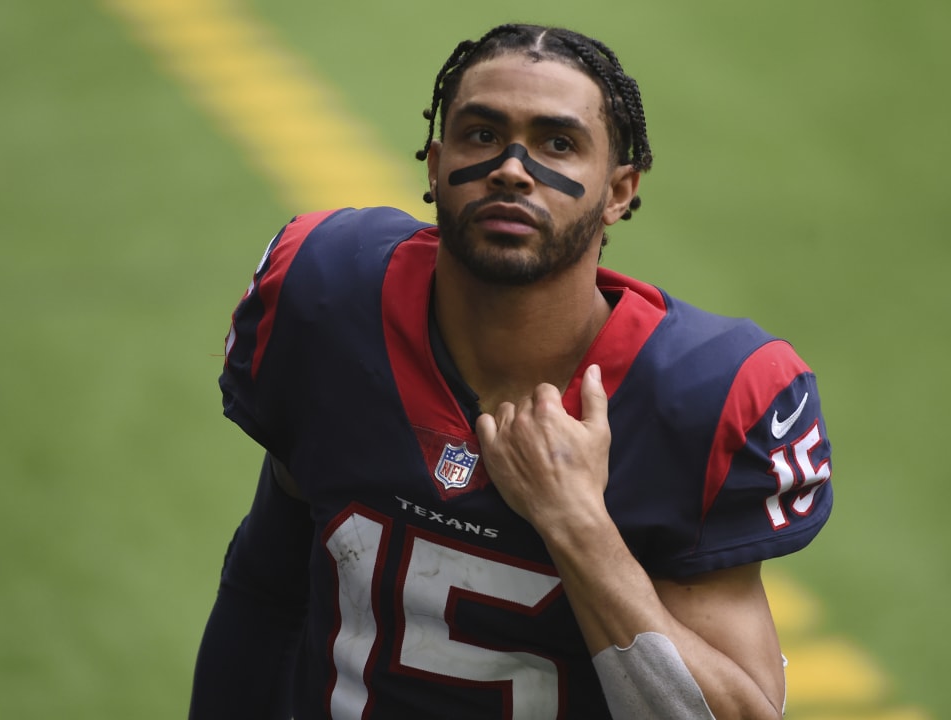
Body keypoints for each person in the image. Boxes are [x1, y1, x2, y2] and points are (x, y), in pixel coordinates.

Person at [189, 23, 832, 720]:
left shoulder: (702, 397)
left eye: (557, 143)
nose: (512, 169)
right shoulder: (329, 294)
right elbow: (266, 591)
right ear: (435, 164)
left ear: (618, 191)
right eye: (482, 134)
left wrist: (578, 525)